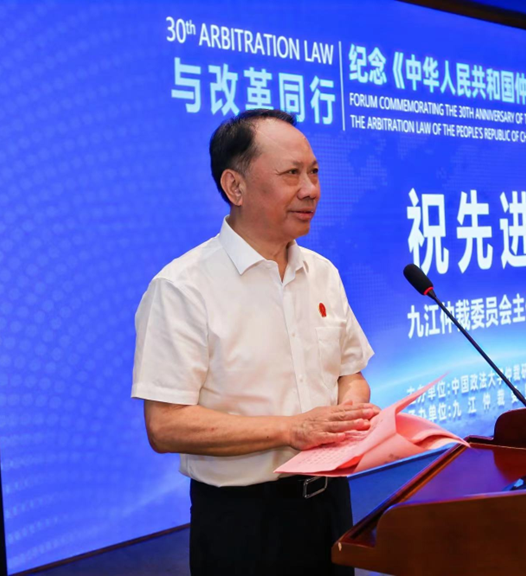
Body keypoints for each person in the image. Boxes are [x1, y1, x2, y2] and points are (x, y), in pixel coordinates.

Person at [131, 108, 378, 576]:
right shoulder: (182, 287)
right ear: (235, 187)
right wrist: (291, 430)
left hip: (332, 503)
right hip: (244, 521)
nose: (311, 189)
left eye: (314, 172)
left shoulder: (323, 273)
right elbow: (165, 425)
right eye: (291, 174)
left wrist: (349, 409)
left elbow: (351, 373)